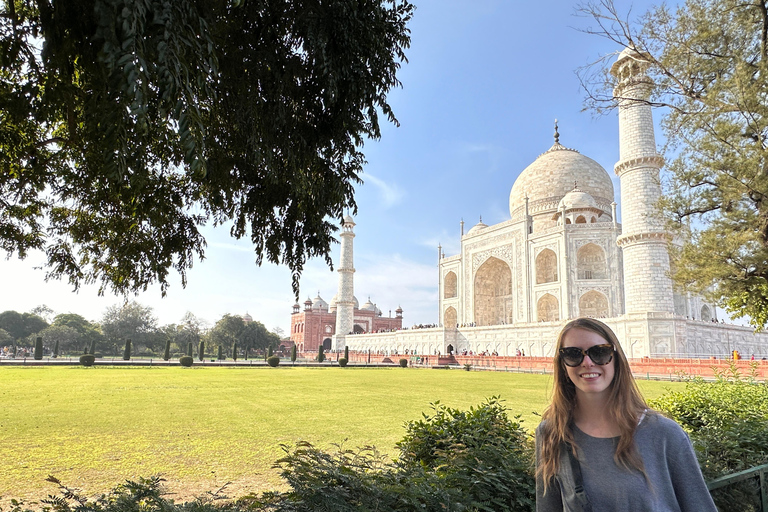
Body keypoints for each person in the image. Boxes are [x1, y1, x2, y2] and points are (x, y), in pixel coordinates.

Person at [535, 318, 716, 511]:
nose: (587, 362)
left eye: (599, 352)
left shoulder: (663, 434)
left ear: (616, 358)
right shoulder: (553, 433)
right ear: (562, 364)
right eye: (572, 354)